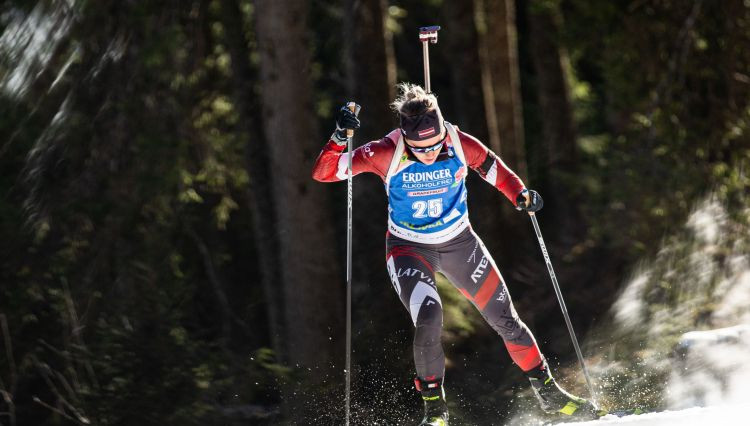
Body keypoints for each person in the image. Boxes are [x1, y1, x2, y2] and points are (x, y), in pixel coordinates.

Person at [312, 83, 597, 426]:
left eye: (434, 145)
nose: (429, 153)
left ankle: (550, 394)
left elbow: (491, 166)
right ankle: (435, 411)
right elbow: (324, 172)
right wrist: (340, 136)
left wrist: (520, 194)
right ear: (405, 138)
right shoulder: (386, 150)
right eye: (419, 149)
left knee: (506, 320)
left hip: (461, 244)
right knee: (429, 317)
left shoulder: (459, 142)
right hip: (409, 249)